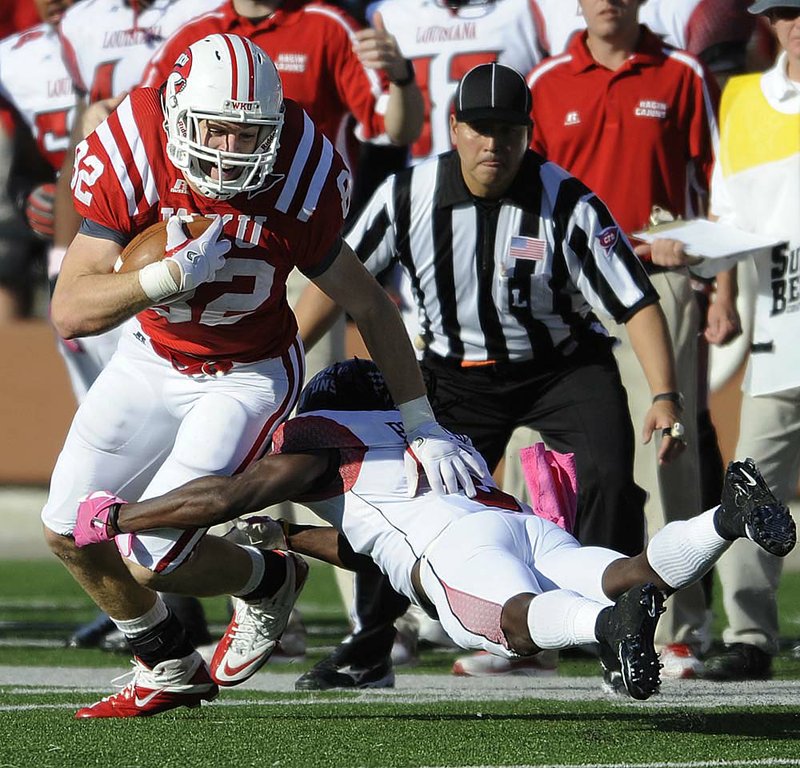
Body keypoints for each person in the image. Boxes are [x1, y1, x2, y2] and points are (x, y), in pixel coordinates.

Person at [42, 33, 478, 719]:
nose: (233, 149)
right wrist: (162, 279)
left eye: (250, 134)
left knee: (152, 552)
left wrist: (421, 421)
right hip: (153, 355)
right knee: (69, 531)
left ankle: (268, 577)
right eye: (217, 128)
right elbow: (70, 309)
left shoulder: (301, 168)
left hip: (247, 373)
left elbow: (367, 301)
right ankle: (168, 663)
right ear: (179, 113)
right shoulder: (134, 144)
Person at [72, 359, 797, 701]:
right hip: (517, 526)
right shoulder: (425, 429)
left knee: (500, 626)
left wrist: (123, 515)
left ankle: (610, 630)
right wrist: (287, 540)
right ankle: (724, 516)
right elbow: (370, 547)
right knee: (626, 573)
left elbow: (231, 492)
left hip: (457, 550)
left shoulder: (321, 434)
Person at [294, 61, 687, 688]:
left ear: (529, 134)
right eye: (479, 128)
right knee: (406, 497)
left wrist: (665, 395)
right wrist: (287, 358)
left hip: (560, 367)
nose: (493, 144)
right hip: (453, 374)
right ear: (453, 129)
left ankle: (614, 628)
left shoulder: (567, 200)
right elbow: (339, 281)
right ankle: (371, 645)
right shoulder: (408, 195)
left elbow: (633, 300)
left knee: (611, 477)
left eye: (508, 130)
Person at [526, 0, 730, 680]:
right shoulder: (548, 79)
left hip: (657, 279)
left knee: (666, 456)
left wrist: (719, 281)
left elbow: (713, 188)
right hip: (565, 292)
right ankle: (534, 628)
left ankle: (678, 626)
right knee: (541, 463)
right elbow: (524, 199)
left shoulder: (679, 73)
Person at [53, 0, 227, 652]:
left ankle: (256, 584)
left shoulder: (201, 19)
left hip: (227, 308)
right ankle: (165, 628)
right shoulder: (76, 32)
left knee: (173, 507)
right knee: (81, 513)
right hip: (123, 259)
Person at [701, 0, 800, 681]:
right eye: (786, 13)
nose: (796, 24)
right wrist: (724, 294)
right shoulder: (742, 99)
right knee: (753, 480)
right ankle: (749, 635)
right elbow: (726, 209)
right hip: (783, 319)